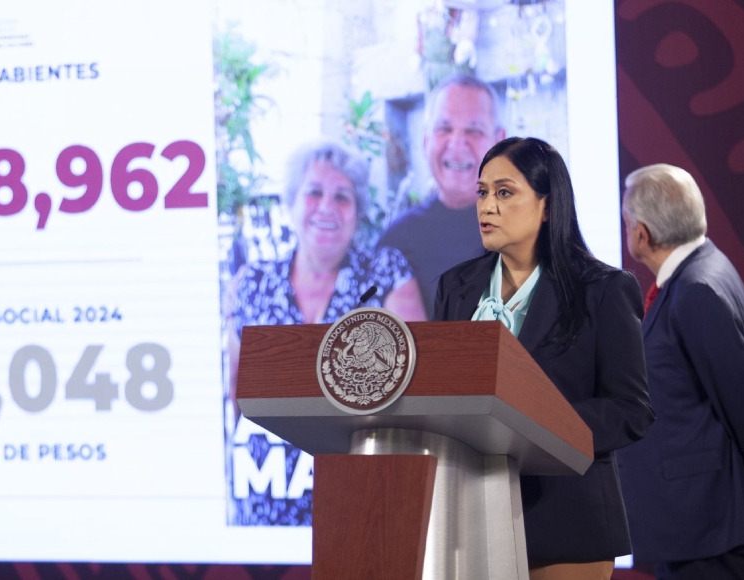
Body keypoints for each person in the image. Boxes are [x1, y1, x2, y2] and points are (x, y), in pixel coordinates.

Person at [432, 137, 653, 579]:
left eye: (504, 192)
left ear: (548, 206)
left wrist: (537, 424)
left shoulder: (603, 290)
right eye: (481, 192)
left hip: (566, 518)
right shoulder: (454, 286)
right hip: (468, 514)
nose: (486, 206)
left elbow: (631, 410)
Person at [225, 138, 426, 525]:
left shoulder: (385, 276)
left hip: (360, 500)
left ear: (358, 212)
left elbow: (418, 393)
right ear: (292, 203)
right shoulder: (251, 283)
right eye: (314, 192)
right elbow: (234, 392)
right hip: (265, 498)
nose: (327, 208)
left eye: (343, 197)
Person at [615, 164, 744, 579]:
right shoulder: (707, 265)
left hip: (704, 530)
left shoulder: (696, 289)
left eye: (628, 223)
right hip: (691, 527)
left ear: (641, 233)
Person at [380, 74, 506, 316]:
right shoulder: (397, 243)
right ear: (426, 140)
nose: (457, 144)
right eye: (444, 129)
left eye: (474, 130)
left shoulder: (534, 233)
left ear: (499, 141)